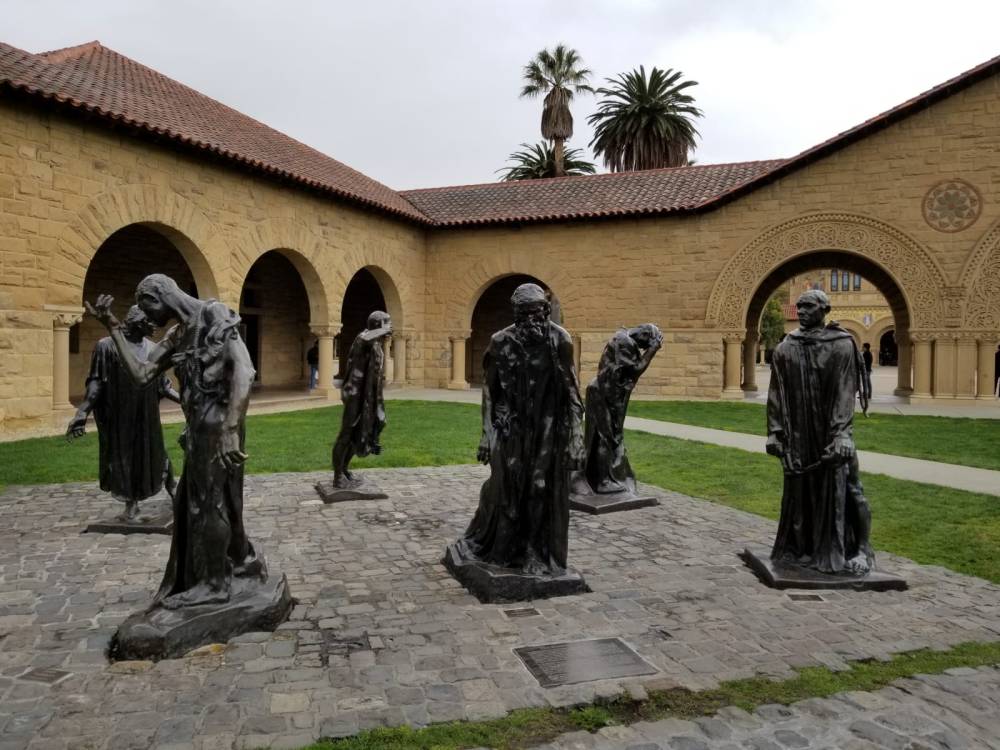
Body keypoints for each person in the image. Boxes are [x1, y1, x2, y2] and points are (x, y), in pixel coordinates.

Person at [86, 275, 263, 609]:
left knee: (208, 503)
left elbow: (244, 371)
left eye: (146, 307)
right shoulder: (178, 333)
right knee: (222, 500)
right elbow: (141, 374)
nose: (147, 319)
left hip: (218, 425)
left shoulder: (214, 315)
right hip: (201, 427)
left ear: (158, 295)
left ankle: (215, 584)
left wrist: (230, 428)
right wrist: (111, 326)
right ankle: (241, 560)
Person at [455, 282, 585, 576]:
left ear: (545, 310)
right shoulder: (500, 341)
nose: (531, 321)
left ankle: (532, 553)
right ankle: (496, 544)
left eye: (536, 313)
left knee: (539, 487)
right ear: (515, 314)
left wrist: (576, 436)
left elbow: (572, 391)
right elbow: (489, 392)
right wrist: (487, 435)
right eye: (523, 314)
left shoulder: (559, 340)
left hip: (546, 425)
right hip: (509, 425)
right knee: (506, 489)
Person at [765, 289, 874, 576]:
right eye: (799, 307)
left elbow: (844, 391)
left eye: (808, 307)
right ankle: (802, 549)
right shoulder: (786, 347)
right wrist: (775, 432)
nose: (800, 311)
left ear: (823, 310)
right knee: (800, 493)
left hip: (832, 433)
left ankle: (862, 549)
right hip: (798, 433)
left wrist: (842, 434)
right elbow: (777, 393)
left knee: (851, 489)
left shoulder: (841, 345)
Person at [67, 306, 180, 521]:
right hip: (119, 415)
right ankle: (131, 504)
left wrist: (186, 402)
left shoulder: (153, 348)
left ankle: (173, 489)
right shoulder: (106, 347)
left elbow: (164, 386)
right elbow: (96, 383)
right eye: (150, 322)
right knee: (125, 458)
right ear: (138, 323)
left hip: (147, 413)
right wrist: (83, 412)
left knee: (157, 452)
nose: (155, 326)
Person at [582, 324, 662, 495]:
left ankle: (597, 477)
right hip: (604, 394)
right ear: (644, 334)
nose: (642, 349)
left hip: (605, 393)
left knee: (602, 438)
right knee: (606, 437)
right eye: (644, 345)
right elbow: (635, 370)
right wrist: (652, 351)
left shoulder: (622, 337)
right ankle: (603, 482)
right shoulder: (624, 342)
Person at [330, 311, 392, 488]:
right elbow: (366, 338)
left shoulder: (377, 345)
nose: (389, 329)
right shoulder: (362, 338)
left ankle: (344, 469)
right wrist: (386, 328)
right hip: (354, 392)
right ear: (377, 325)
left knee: (358, 433)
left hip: (367, 394)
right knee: (346, 433)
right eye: (385, 324)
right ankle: (337, 475)